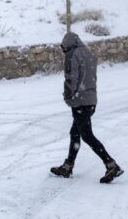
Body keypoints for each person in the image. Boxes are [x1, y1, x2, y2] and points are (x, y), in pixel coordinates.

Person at [50, 32, 123, 183]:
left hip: (80, 101)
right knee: (75, 133)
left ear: (68, 45)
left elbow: (71, 78)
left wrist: (69, 97)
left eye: (64, 48)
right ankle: (68, 166)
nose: (64, 51)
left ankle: (111, 165)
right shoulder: (88, 53)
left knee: (86, 135)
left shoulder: (72, 54)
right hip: (91, 100)